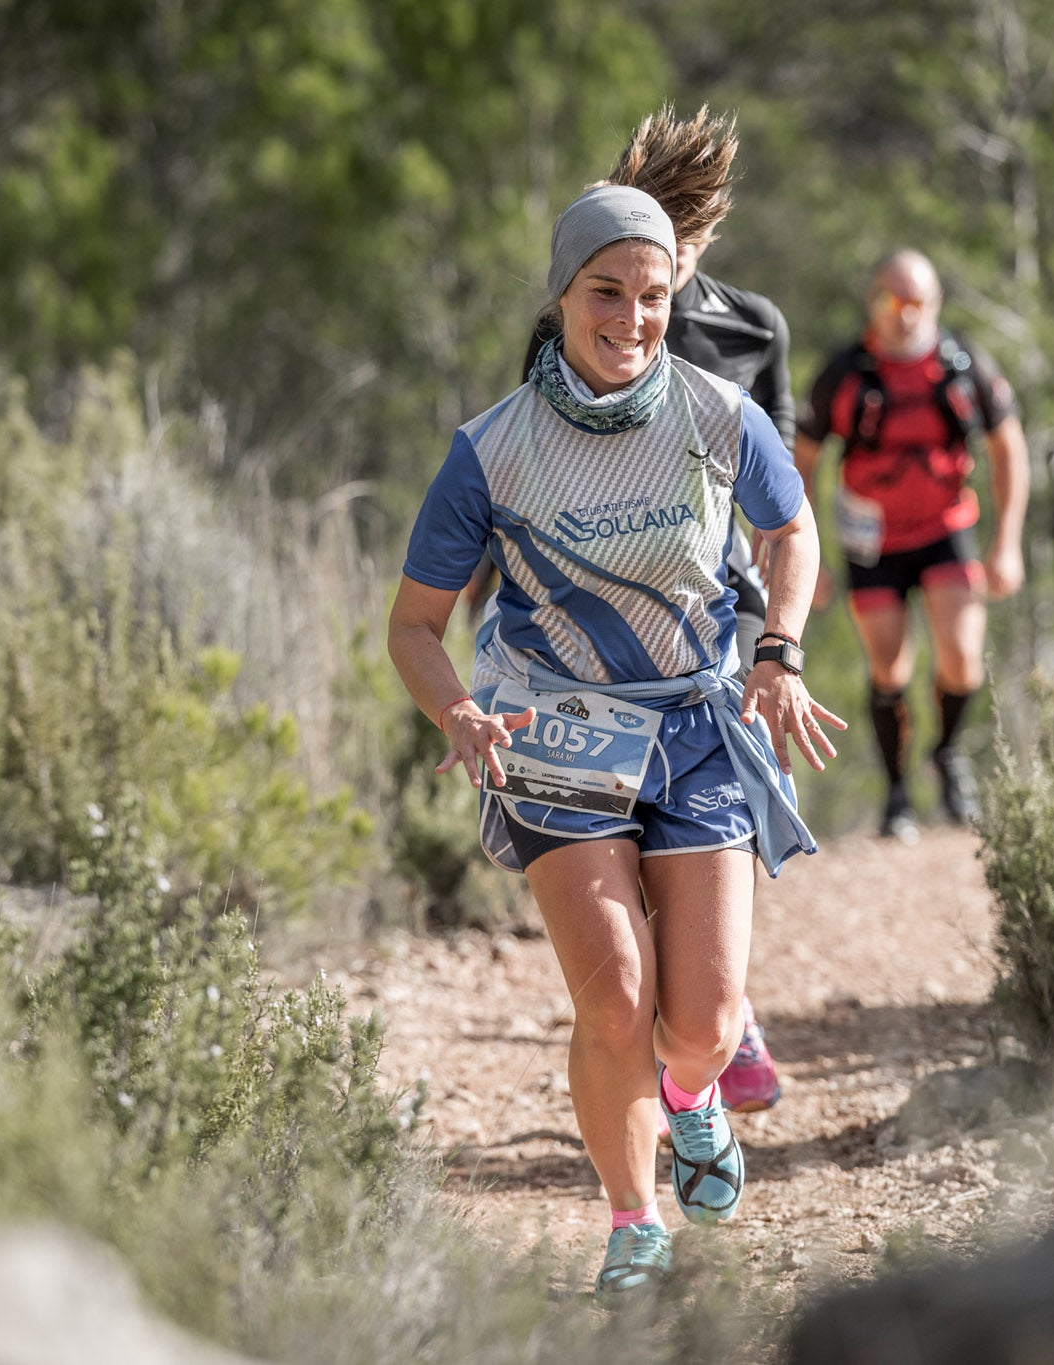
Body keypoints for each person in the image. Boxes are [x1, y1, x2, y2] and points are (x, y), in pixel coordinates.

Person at [389, 186, 846, 1305]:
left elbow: (791, 528)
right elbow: (412, 625)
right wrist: (456, 708)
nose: (631, 318)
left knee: (704, 1024)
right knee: (612, 1001)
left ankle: (692, 1104)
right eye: (606, 292)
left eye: (652, 296)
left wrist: (776, 650)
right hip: (555, 734)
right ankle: (632, 1223)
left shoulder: (715, 411)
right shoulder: (491, 451)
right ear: (561, 294)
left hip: (695, 729)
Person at [509, 105, 795, 1115]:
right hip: (600, 630)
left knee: (719, 812)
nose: (657, 256)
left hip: (722, 607)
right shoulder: (576, 315)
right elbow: (534, 478)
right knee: (621, 848)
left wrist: (776, 639)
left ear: (706, 231)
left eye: (683, 226)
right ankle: (665, 1030)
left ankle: (724, 1016)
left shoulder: (751, 326)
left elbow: (781, 491)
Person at [793, 250, 1029, 842]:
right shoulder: (844, 374)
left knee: (961, 658)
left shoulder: (964, 365)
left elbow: (1009, 450)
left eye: (917, 302)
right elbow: (801, 463)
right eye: (892, 301)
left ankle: (946, 756)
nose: (905, 314)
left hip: (946, 529)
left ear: (936, 304)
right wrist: (803, 556)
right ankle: (897, 794)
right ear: (872, 301)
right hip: (871, 541)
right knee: (889, 666)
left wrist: (1007, 543)